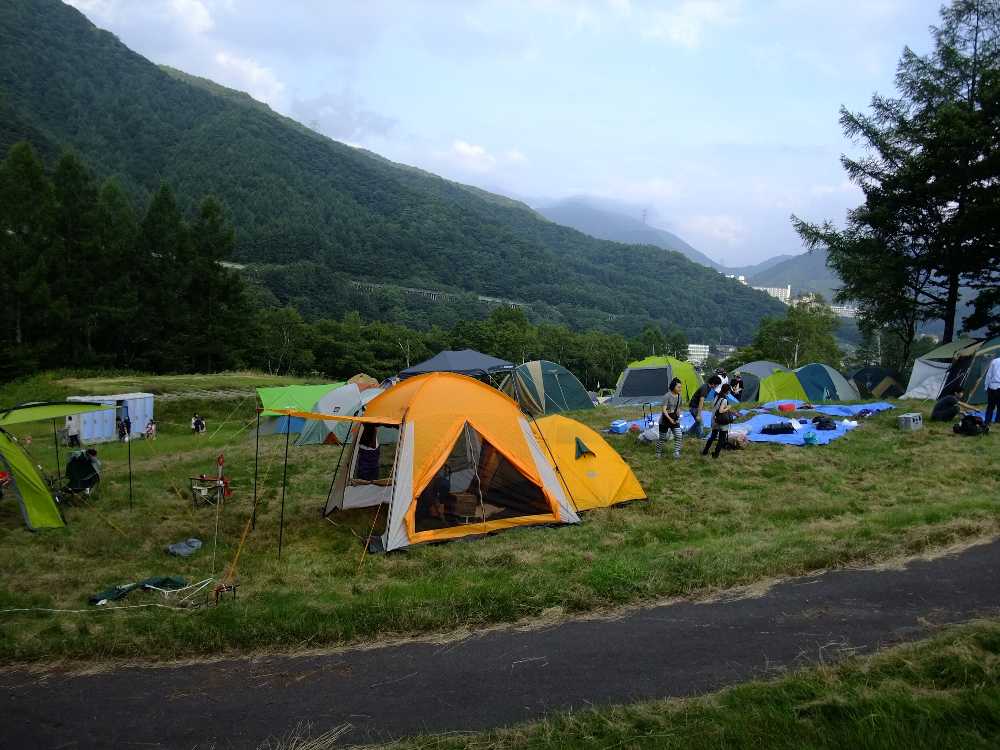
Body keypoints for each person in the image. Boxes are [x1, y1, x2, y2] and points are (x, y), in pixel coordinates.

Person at [702, 383, 734, 459]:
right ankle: (716, 454)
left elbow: (714, 407)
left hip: (714, 420)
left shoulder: (717, 396)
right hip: (722, 422)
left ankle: (705, 451)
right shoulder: (724, 400)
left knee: (712, 436)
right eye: (729, 391)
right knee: (721, 439)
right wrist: (728, 407)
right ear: (727, 391)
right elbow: (721, 410)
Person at [657, 378, 684, 459]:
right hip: (665, 419)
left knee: (679, 435)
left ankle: (676, 452)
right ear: (673, 387)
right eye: (678, 387)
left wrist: (678, 417)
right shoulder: (667, 396)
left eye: (680, 387)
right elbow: (664, 410)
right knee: (662, 438)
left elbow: (678, 408)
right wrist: (669, 419)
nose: (680, 389)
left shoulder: (679, 396)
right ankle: (658, 452)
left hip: (674, 418)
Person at [688, 374, 721, 439]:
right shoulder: (705, 388)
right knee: (700, 423)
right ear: (714, 383)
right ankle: (700, 437)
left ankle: (688, 433)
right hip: (694, 407)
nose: (717, 386)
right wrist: (698, 414)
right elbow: (701, 401)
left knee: (698, 422)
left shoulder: (708, 387)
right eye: (717, 385)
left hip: (695, 407)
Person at [986, 353, 1000, 426]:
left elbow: (988, 375)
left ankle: (987, 421)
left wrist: (986, 387)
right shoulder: (994, 361)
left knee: (990, 406)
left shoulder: (994, 361)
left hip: (992, 386)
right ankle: (997, 421)